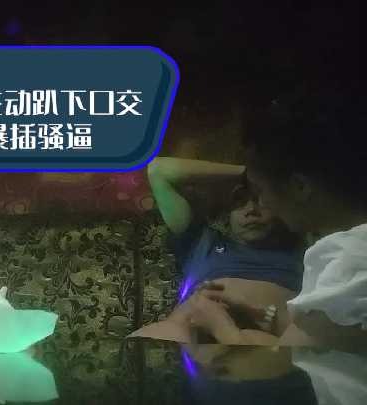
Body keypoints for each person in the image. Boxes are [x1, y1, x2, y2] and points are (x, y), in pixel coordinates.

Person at [190, 80, 367, 350]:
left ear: (300, 187)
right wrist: (257, 312)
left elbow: (292, 363)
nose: (261, 203)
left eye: (261, 191)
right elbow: (329, 338)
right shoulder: (350, 250)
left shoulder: (346, 262)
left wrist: (220, 327)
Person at [129, 157, 303, 343]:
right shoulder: (202, 241)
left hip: (266, 335)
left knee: (257, 341)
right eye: (239, 201)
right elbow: (158, 170)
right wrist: (248, 173)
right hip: (192, 332)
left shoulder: (302, 251)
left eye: (261, 201)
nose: (251, 210)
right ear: (227, 214)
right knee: (148, 339)